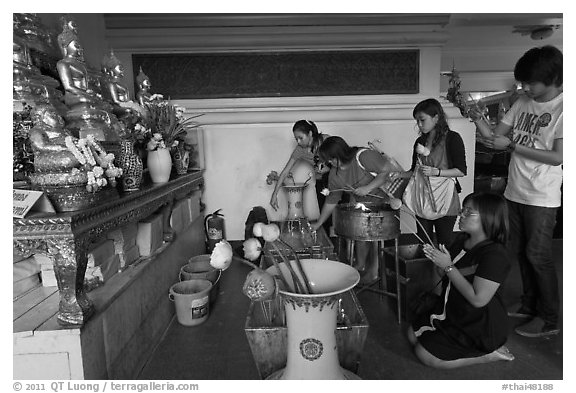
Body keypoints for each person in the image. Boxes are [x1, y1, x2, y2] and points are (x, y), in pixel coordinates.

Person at [469, 45, 562, 338]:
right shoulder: (523, 102)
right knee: (519, 253)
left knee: (538, 255)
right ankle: (529, 304)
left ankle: (549, 318)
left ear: (554, 79)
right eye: (523, 82)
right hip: (514, 190)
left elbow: (559, 156)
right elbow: (496, 136)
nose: (525, 88)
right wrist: (477, 118)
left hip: (542, 196)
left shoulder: (564, 108)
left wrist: (512, 146)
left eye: (531, 83)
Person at [408, 192, 513, 369]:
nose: (461, 215)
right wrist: (439, 263)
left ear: (489, 217)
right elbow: (446, 276)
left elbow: (478, 299)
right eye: (462, 210)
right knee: (412, 335)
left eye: (468, 212)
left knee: (424, 354)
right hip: (453, 311)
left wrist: (448, 267)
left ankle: (487, 355)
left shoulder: (495, 255)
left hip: (478, 323)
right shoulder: (462, 240)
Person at [309, 136, 393, 284]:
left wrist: (368, 188)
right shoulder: (335, 175)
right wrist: (319, 223)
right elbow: (331, 200)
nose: (330, 163)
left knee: (373, 237)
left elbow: (386, 171)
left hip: (384, 204)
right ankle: (359, 267)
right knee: (358, 233)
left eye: (331, 159)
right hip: (363, 207)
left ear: (339, 154)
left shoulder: (363, 156)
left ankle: (374, 273)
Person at [393, 98, 467, 248]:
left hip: (445, 198)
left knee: (443, 244)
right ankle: (425, 270)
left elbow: (461, 171)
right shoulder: (420, 141)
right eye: (417, 121)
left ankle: (444, 271)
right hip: (422, 198)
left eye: (422, 120)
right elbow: (415, 172)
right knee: (424, 243)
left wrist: (437, 172)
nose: (419, 125)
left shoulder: (453, 138)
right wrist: (398, 175)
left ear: (436, 117)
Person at [269, 120, 330, 231]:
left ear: (310, 133)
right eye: (296, 138)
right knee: (325, 216)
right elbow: (285, 172)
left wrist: (328, 168)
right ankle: (328, 243)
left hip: (337, 179)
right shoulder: (299, 150)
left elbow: (342, 160)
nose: (298, 141)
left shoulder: (326, 140)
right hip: (321, 182)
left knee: (340, 212)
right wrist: (274, 194)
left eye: (301, 138)